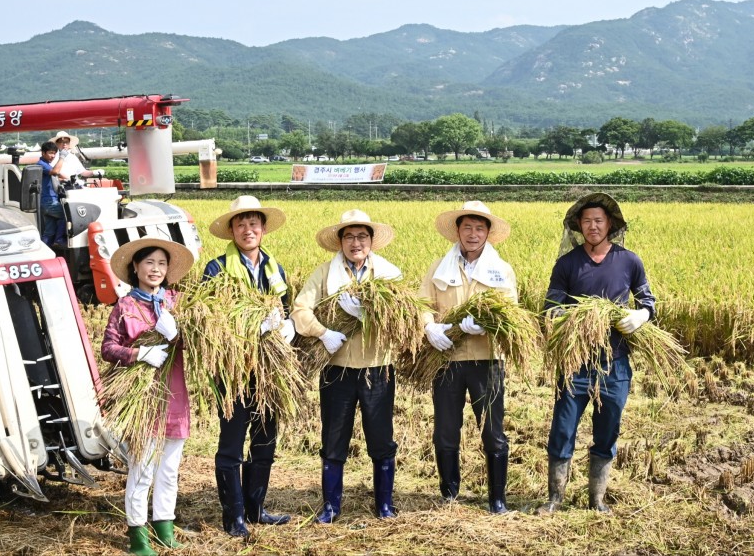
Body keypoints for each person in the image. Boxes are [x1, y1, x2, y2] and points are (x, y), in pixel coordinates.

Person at [540, 193, 656, 514]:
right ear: (579, 225)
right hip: (575, 362)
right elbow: (551, 307)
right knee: (562, 428)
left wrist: (641, 315)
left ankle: (597, 499)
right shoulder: (567, 263)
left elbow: (648, 301)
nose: (592, 226)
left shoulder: (629, 261)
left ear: (610, 225)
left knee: (608, 430)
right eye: (587, 221)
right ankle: (555, 498)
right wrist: (568, 316)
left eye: (599, 221)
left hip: (615, 363)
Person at [291, 209, 402, 523]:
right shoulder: (324, 274)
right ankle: (331, 507)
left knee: (381, 437)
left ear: (371, 242)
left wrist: (367, 314)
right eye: (350, 236)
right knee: (334, 436)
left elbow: (400, 319)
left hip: (377, 367)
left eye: (362, 236)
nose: (356, 242)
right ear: (340, 241)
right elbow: (300, 310)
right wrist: (323, 333)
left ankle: (383, 504)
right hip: (336, 368)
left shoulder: (388, 274)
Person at [201, 196, 296, 537]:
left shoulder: (275, 268)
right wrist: (248, 327)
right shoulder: (216, 268)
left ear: (263, 228)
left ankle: (256, 509)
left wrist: (288, 326)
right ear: (231, 230)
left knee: (265, 440)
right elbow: (207, 320)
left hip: (269, 371)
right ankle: (234, 516)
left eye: (253, 223)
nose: (247, 230)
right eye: (240, 224)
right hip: (233, 370)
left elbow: (286, 308)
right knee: (231, 443)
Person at [418, 201, 517, 513]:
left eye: (479, 228)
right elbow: (422, 304)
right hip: (446, 360)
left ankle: (497, 499)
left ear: (488, 232)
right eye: (467, 227)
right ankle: (449, 494)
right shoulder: (438, 268)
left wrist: (486, 324)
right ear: (457, 231)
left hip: (487, 360)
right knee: (446, 430)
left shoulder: (501, 270)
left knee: (492, 430)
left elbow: (510, 311)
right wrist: (429, 327)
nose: (473, 234)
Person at [101, 237, 195, 555]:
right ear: (136, 267)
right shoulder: (125, 306)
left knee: (169, 468)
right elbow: (108, 348)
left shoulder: (178, 302)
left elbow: (200, 342)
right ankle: (139, 538)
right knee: (142, 468)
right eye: (149, 262)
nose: (156, 269)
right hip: (141, 400)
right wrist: (139, 353)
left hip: (175, 393)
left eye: (162, 263)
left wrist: (177, 335)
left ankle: (165, 528)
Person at [36, 141, 67, 246]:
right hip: (49, 201)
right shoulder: (41, 164)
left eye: (54, 153)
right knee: (67, 214)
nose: (53, 156)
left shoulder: (46, 165)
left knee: (49, 232)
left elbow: (59, 174)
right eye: (50, 153)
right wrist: (62, 157)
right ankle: (59, 239)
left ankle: (45, 253)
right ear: (43, 153)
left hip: (46, 202)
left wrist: (67, 178)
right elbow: (55, 172)